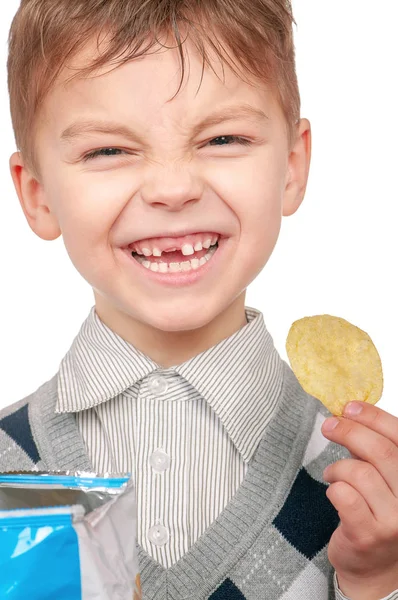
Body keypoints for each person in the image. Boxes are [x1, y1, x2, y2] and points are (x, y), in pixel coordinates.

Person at [1, 1, 398, 598]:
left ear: (291, 165)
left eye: (222, 138)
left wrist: (376, 581)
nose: (173, 188)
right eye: (108, 150)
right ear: (38, 195)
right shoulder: (8, 466)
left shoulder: (362, 485)